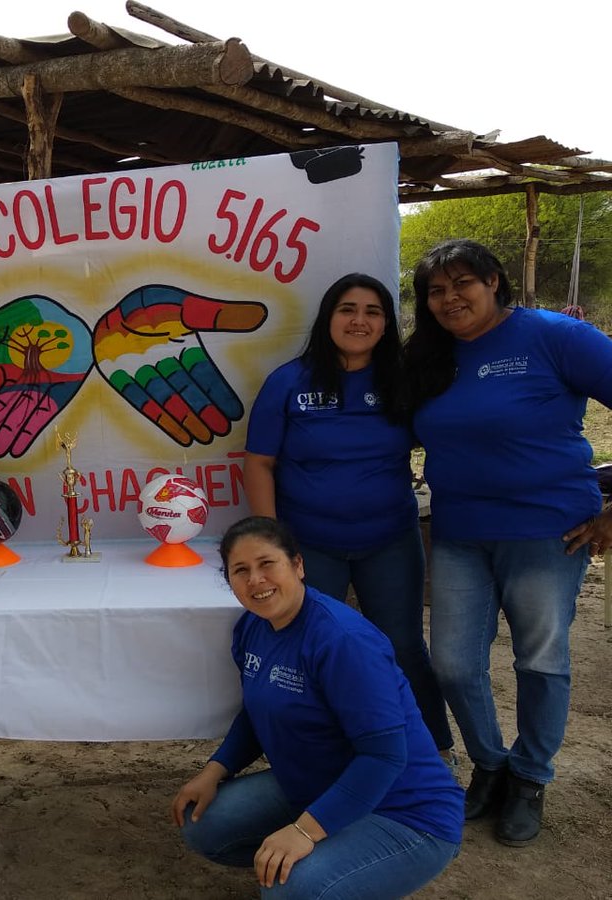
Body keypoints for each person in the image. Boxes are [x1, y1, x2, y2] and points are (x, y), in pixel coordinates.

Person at [405, 238, 612, 846]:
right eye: (436, 291)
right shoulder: (428, 356)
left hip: (549, 533)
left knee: (540, 660)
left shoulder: (554, 336)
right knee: (451, 663)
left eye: (462, 283)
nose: (450, 299)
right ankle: (490, 764)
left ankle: (530, 778)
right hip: (460, 533)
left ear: (495, 281)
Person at [171, 516, 462, 899]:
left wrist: (305, 831)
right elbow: (257, 712)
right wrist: (214, 770)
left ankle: (350, 867)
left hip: (406, 812)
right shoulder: (252, 628)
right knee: (204, 824)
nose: (255, 579)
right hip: (319, 785)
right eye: (240, 571)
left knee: (289, 890)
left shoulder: (342, 640)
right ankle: (338, 859)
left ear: (298, 565)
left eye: (267, 564)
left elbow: (385, 757)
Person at [243, 273, 453, 757]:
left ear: (385, 325)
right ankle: (321, 754)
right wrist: (272, 540)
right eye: (347, 309)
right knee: (312, 648)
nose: (359, 320)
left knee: (401, 646)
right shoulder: (288, 382)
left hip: (390, 540)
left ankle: (434, 752)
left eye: (373, 312)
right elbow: (259, 462)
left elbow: (449, 436)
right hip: (310, 544)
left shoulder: (405, 380)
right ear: (328, 318)